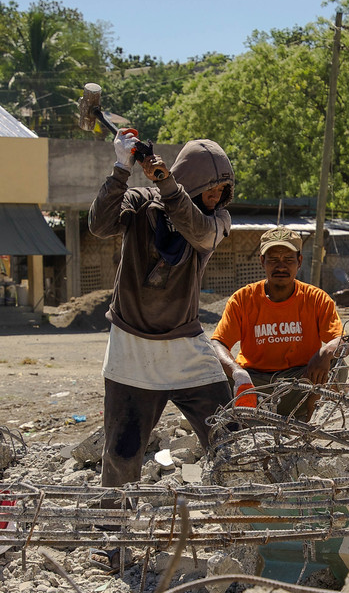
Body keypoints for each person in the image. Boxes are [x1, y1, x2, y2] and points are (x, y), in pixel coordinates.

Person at [88, 130, 235, 488]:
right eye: (208, 188)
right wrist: (121, 169)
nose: (215, 196)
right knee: (121, 454)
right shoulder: (140, 202)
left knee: (230, 438)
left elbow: (196, 231)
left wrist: (169, 185)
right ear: (191, 181)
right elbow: (99, 225)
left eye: (221, 190)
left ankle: (245, 511)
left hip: (185, 348)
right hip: (131, 349)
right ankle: (115, 531)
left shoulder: (217, 222)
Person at [210, 226, 343, 421]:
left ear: (299, 261)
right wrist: (237, 372)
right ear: (262, 261)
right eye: (273, 259)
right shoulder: (243, 299)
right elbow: (217, 343)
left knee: (338, 364)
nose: (281, 266)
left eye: (288, 259)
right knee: (212, 370)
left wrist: (325, 352)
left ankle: (311, 423)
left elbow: (341, 339)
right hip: (255, 384)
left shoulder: (316, 298)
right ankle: (242, 423)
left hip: (300, 383)